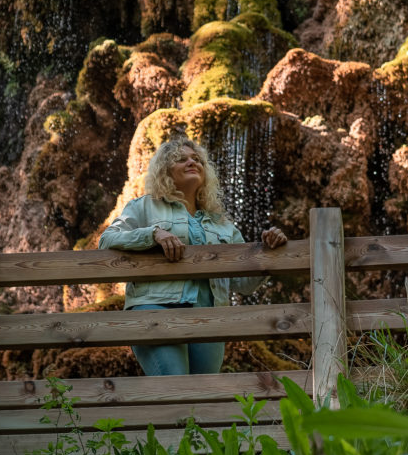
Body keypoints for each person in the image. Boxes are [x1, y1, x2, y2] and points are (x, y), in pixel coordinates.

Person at [98, 136, 287, 375]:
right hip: (157, 308)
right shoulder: (144, 206)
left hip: (210, 317)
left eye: (197, 159)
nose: (192, 162)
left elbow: (244, 283)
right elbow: (107, 239)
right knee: (174, 387)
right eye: (181, 159)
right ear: (165, 170)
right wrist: (153, 234)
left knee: (202, 398)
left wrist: (268, 251)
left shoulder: (222, 224)